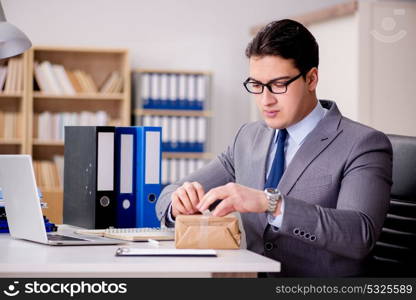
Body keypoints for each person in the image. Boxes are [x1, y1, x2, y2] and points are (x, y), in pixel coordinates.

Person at [156, 19, 392, 277]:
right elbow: (168, 194)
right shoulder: (247, 138)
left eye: (279, 85)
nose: (265, 100)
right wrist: (178, 204)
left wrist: (272, 204)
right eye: (256, 85)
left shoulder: (362, 143)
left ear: (311, 79)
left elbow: (359, 234)